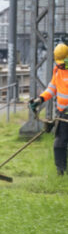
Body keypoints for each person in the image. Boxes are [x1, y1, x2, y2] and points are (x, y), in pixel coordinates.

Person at [29, 42, 68, 175]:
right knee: (59, 144)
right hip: (62, 115)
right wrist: (40, 99)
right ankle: (61, 172)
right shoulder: (57, 71)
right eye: (59, 62)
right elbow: (52, 88)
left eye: (63, 62)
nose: (61, 64)